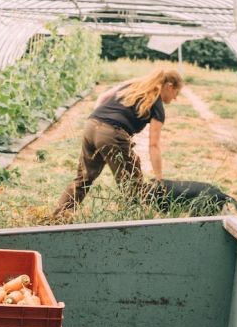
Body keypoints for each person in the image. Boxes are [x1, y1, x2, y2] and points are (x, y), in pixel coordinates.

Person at [54, 68, 184, 216]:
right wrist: (160, 179)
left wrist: (99, 123)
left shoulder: (133, 86)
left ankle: (58, 217)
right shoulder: (157, 105)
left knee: (83, 179)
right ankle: (133, 222)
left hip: (91, 125)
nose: (175, 98)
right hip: (112, 133)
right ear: (170, 86)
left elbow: (103, 96)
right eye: (176, 93)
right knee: (132, 185)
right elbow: (154, 145)